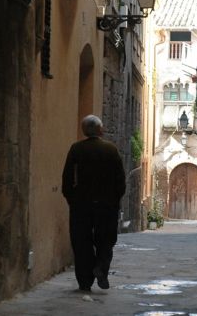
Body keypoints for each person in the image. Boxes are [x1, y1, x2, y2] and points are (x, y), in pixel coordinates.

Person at [62, 115, 126, 291]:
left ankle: (85, 281)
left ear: (84, 130)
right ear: (100, 129)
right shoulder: (111, 150)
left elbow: (67, 177)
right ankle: (101, 268)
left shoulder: (76, 149)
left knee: (81, 241)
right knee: (106, 239)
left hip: (81, 204)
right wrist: (115, 199)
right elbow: (120, 179)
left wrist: (71, 199)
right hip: (107, 205)